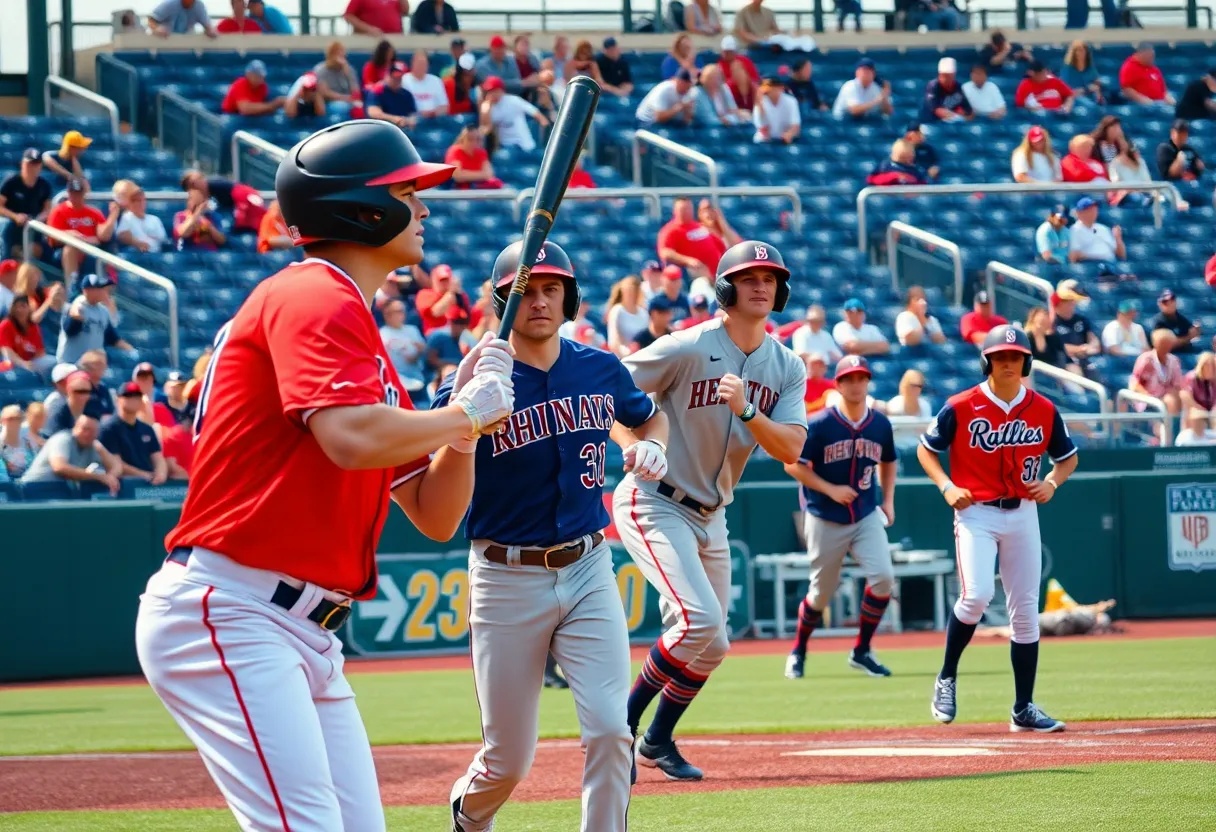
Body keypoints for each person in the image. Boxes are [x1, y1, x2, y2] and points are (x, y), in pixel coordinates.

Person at [134, 120, 515, 832]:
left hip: (301, 629)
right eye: (408, 191)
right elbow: (346, 439)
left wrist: (469, 429)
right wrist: (463, 415)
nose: (424, 208)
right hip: (236, 607)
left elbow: (434, 513)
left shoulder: (356, 329)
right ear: (362, 208)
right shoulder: (316, 296)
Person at [441, 239, 667, 832]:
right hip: (505, 574)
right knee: (508, 761)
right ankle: (468, 812)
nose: (540, 301)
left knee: (613, 731)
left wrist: (651, 444)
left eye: (551, 289)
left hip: (590, 565)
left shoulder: (599, 367)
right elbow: (436, 453)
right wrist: (466, 410)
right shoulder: (475, 376)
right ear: (502, 303)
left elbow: (647, 415)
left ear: (569, 298)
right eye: (527, 291)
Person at [612, 240, 808, 781]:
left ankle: (656, 740)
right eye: (748, 278)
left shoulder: (786, 365)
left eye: (770, 277)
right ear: (725, 288)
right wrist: (635, 440)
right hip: (655, 499)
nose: (762, 285)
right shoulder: (688, 346)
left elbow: (790, 448)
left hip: (712, 512)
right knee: (699, 621)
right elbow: (607, 391)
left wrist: (746, 408)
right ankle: (617, 733)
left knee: (715, 642)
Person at [917, 325, 1078, 733]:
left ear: (1026, 362)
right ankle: (947, 676)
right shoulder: (961, 405)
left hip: (1023, 511)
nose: (1008, 362)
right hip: (977, 512)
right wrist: (946, 485)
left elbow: (1067, 458)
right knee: (977, 595)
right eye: (1000, 356)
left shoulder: (1043, 408)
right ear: (987, 361)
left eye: (1016, 356)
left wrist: (1054, 482)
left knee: (1025, 612)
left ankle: (1023, 708)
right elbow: (926, 449)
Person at [783, 355, 897, 680]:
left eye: (862, 377)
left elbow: (889, 461)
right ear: (839, 384)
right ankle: (799, 651)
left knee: (884, 578)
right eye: (850, 378)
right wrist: (829, 489)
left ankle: (862, 651)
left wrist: (888, 500)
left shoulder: (880, 423)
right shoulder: (819, 423)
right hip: (824, 515)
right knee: (820, 593)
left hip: (864, 513)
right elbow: (792, 464)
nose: (857, 384)